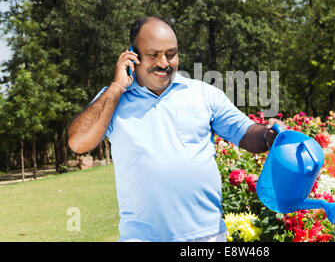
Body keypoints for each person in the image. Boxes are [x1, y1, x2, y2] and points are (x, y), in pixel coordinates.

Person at [67, 16, 286, 242]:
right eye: (153, 54)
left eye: (171, 54)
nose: (164, 63)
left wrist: (268, 134)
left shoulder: (204, 94)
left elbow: (246, 133)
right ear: (133, 55)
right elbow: (78, 142)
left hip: (206, 237)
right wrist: (117, 86)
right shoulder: (113, 99)